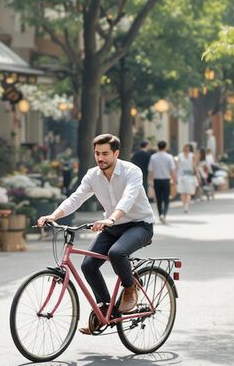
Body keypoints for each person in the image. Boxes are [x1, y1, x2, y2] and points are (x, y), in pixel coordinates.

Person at [38, 133, 154, 334]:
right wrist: (53, 215)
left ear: (116, 153)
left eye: (105, 154)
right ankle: (105, 309)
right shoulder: (92, 175)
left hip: (139, 225)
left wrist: (110, 219)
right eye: (97, 154)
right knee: (88, 265)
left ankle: (129, 288)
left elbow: (128, 198)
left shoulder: (131, 171)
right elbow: (75, 198)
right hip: (113, 227)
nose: (101, 158)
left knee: (117, 253)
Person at [148, 140, 177, 222]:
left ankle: (160, 213)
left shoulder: (153, 157)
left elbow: (150, 170)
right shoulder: (169, 157)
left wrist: (150, 181)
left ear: (158, 147)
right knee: (166, 198)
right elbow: (172, 170)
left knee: (159, 198)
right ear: (166, 147)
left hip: (156, 180)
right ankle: (164, 214)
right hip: (166, 180)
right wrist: (174, 180)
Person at [176, 143, 199, 212]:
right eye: (185, 148)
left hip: (189, 175)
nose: (186, 149)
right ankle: (184, 205)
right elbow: (177, 166)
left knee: (188, 192)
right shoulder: (180, 155)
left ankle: (186, 206)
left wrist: (197, 174)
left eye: (188, 148)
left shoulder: (192, 155)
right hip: (181, 175)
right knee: (183, 192)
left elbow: (195, 166)